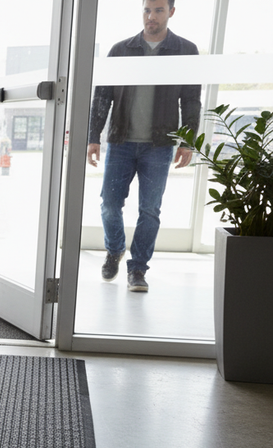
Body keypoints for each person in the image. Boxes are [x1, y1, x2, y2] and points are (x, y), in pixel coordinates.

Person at [88, 0, 200, 293]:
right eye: (147, 10)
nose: (151, 16)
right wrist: (93, 136)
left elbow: (191, 99)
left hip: (159, 145)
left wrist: (188, 140)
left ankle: (137, 268)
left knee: (150, 210)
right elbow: (102, 96)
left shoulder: (186, 51)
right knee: (110, 204)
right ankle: (115, 249)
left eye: (159, 10)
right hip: (121, 142)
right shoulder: (120, 50)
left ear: (171, 12)